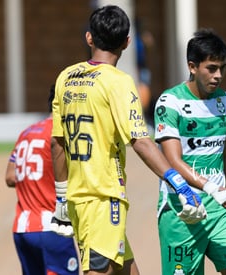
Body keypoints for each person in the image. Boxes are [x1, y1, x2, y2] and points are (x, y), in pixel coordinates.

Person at [49, 5, 206, 275]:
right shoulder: (119, 82)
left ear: (89, 38)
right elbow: (141, 141)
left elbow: (57, 143)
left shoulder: (66, 78)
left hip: (78, 200)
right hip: (103, 199)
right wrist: (178, 181)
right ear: (127, 42)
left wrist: (61, 199)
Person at [154, 29, 226, 274]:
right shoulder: (170, 102)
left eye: (223, 68)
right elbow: (172, 160)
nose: (218, 75)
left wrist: (224, 189)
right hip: (182, 209)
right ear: (192, 66)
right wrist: (212, 188)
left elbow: (223, 152)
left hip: (218, 209)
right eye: (212, 68)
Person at [5, 85, 80, 275]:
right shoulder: (61, 133)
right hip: (51, 227)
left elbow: (10, 177)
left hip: (22, 228)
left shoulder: (27, 133)